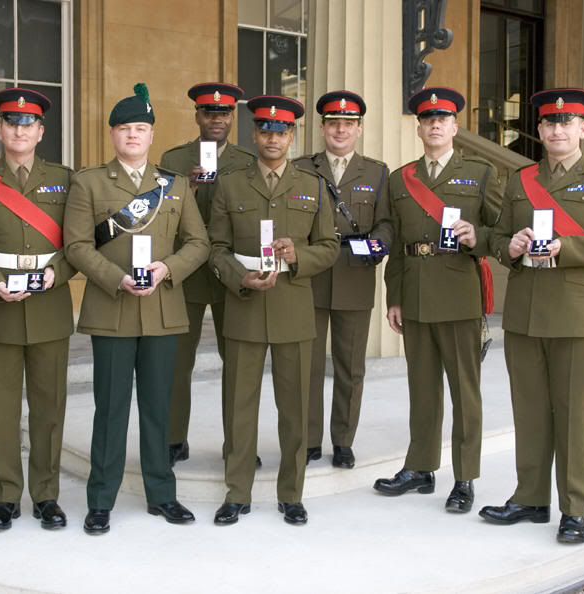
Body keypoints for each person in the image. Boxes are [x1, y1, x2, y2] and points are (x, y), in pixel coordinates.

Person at [480, 88, 584, 543]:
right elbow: (500, 237)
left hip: (575, 313)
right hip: (525, 311)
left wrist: (567, 247)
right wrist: (505, 247)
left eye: (566, 123)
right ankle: (530, 497)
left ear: (582, 128)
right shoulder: (520, 179)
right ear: (541, 130)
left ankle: (574, 508)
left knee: (572, 414)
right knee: (528, 411)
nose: (556, 130)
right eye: (549, 123)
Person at [63, 84, 210, 534]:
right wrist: (114, 278)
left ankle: (162, 496)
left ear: (151, 135)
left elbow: (199, 243)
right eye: (125, 128)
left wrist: (167, 268)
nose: (133, 135)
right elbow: (75, 245)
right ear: (113, 134)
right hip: (112, 307)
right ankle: (101, 500)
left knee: (158, 408)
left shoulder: (175, 184)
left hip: (163, 310)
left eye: (140, 128)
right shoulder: (88, 182)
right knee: (110, 408)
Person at [208, 95, 339, 525]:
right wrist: (237, 277)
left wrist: (297, 254)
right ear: (254, 134)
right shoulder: (230, 184)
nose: (272, 138)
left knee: (295, 408)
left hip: (293, 308)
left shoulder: (313, 185)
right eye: (265, 130)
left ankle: (291, 492)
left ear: (292, 136)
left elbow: (329, 247)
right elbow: (216, 248)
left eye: (281, 132)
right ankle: (237, 491)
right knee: (238, 407)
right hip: (244, 307)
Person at [373, 87, 502, 513]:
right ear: (418, 128)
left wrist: (476, 237)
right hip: (415, 295)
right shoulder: (401, 178)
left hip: (459, 294)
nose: (435, 126)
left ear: (455, 127)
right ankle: (420, 467)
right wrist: (394, 296)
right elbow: (395, 242)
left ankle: (464, 476)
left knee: (465, 392)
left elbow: (501, 234)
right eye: (428, 120)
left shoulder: (480, 173)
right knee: (421, 388)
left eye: (442, 120)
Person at [0, 88, 75, 532]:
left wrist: (55, 275)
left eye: (28, 124)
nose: (19, 130)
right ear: (0, 128)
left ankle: (46, 495)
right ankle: (6, 496)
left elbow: (77, 241)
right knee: (2, 410)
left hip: (49, 308)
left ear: (41, 131)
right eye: (11, 123)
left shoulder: (65, 179)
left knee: (49, 409)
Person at [293, 90, 393, 469]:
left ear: (359, 129)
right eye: (333, 123)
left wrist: (381, 242)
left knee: (351, 367)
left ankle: (344, 440)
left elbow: (385, 221)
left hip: (355, 273)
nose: (340, 130)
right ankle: (308, 439)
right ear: (322, 128)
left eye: (348, 124)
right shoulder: (302, 168)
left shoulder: (376, 171)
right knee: (308, 365)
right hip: (310, 276)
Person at [160, 82, 256, 467]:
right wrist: (188, 188)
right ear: (197, 116)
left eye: (224, 113)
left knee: (238, 363)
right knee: (177, 362)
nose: (217, 119)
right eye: (209, 113)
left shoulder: (248, 160)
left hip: (233, 274)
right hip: (187, 273)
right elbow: (161, 216)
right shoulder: (174, 157)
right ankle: (172, 439)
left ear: (232, 117)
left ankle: (237, 443)